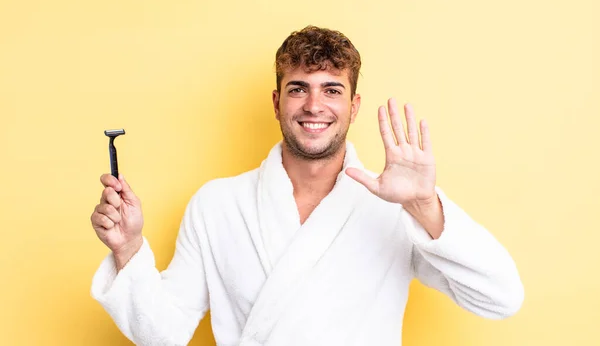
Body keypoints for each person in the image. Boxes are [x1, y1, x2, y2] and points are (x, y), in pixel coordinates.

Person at [90, 25, 524, 346]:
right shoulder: (217, 204)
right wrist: (128, 249)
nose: (314, 105)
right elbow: (162, 334)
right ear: (277, 102)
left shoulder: (396, 208)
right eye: (298, 88)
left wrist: (425, 204)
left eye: (331, 90)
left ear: (353, 107)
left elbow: (500, 298)